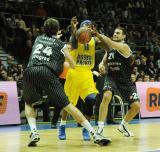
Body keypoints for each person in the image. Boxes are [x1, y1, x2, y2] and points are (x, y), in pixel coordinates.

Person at [23, 18, 110, 147]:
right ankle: (89, 132)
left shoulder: (38, 38)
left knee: (29, 102)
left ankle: (34, 132)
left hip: (30, 70)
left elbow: (107, 48)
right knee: (67, 105)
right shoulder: (63, 43)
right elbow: (73, 59)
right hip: (61, 73)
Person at [58, 17, 110, 141]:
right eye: (85, 26)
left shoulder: (94, 40)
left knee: (91, 100)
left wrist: (97, 35)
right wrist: (74, 29)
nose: (88, 28)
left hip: (87, 74)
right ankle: (62, 125)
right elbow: (74, 39)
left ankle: (86, 128)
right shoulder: (75, 39)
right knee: (68, 104)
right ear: (81, 29)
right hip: (74, 73)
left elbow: (108, 47)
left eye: (90, 26)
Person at [94, 27, 140, 137]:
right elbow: (104, 60)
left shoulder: (124, 47)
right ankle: (100, 128)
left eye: (118, 33)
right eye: (114, 33)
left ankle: (123, 125)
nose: (115, 34)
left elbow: (109, 42)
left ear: (124, 36)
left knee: (136, 106)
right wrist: (101, 65)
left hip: (125, 81)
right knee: (106, 96)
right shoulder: (110, 48)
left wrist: (98, 34)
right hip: (111, 78)